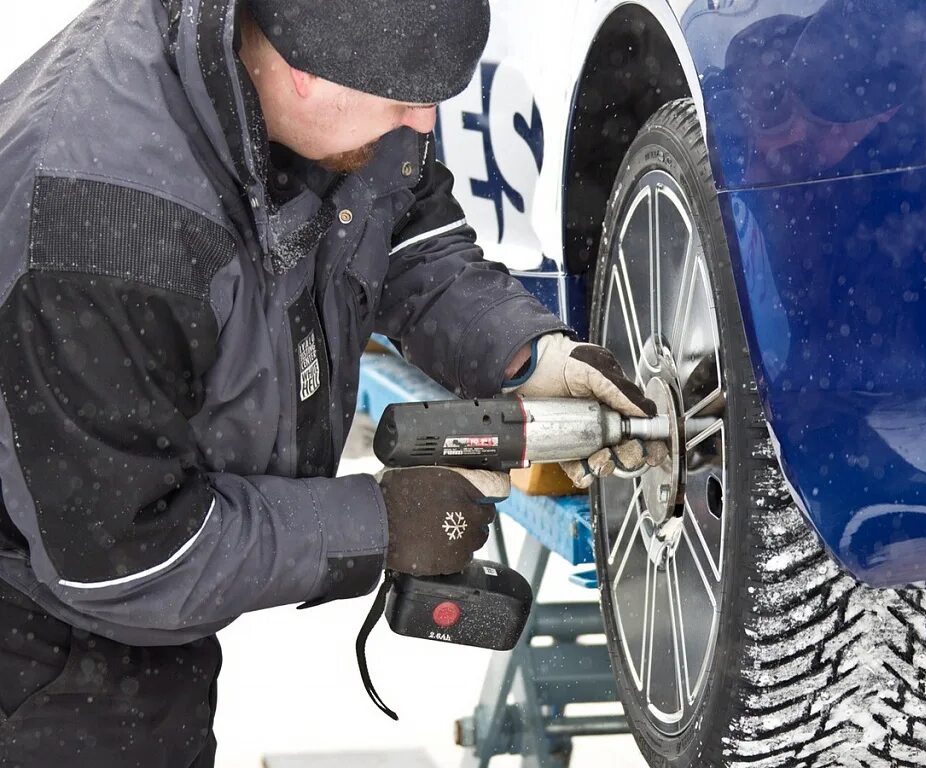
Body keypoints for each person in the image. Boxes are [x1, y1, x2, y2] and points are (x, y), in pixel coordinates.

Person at [0, 0, 666, 765]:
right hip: (36, 655)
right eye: (404, 103)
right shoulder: (103, 241)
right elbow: (125, 559)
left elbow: (399, 219)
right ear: (304, 71)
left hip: (117, 618)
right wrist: (379, 525)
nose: (424, 124)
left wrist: (526, 354)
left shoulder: (309, 74)